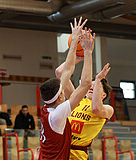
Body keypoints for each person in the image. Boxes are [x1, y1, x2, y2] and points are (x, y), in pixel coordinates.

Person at [38, 17, 94, 159]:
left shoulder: (48, 108)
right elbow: (86, 84)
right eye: (62, 90)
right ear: (60, 96)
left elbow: (66, 70)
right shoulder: (58, 115)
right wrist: (87, 52)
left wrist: (75, 41)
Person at [56, 62, 113, 159]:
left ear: (103, 95)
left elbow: (96, 109)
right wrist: (77, 57)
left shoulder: (107, 109)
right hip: (59, 149)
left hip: (77, 153)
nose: (91, 87)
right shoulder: (76, 99)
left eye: (96, 87)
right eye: (91, 85)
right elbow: (59, 72)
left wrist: (98, 79)